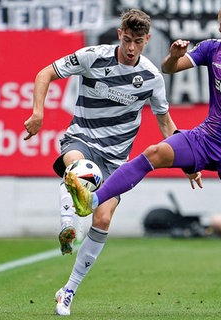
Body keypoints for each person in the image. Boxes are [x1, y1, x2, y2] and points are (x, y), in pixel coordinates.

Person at [65, 3, 221, 314]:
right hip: (207, 138)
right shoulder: (213, 49)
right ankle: (93, 199)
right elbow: (169, 69)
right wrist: (174, 55)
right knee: (154, 152)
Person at [23, 9, 178, 316]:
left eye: (139, 41)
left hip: (117, 158)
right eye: (128, 39)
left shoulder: (151, 78)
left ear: (147, 40)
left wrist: (190, 160)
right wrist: (38, 113)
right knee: (80, 169)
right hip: (80, 138)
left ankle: (68, 291)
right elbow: (45, 73)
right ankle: (68, 226)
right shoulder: (93, 57)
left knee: (103, 219)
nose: (132, 47)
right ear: (120, 34)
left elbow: (166, 125)